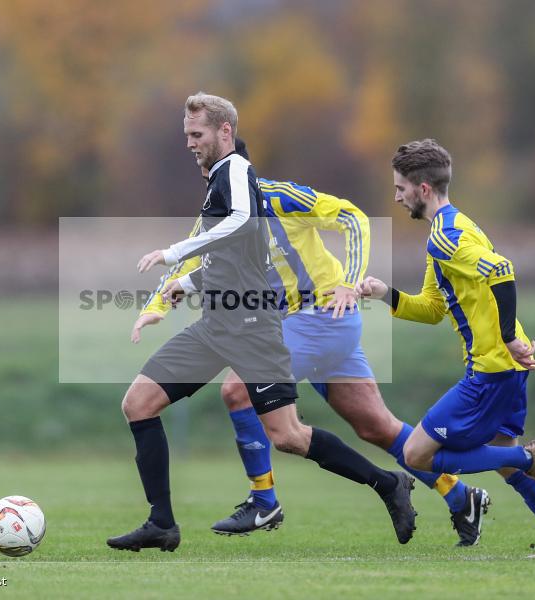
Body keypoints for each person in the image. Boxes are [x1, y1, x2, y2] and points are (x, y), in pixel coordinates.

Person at [133, 138, 490, 546]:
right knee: (378, 427)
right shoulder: (217, 216)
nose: (210, 181)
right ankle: (462, 496)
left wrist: (349, 282)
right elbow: (188, 261)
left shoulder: (278, 197)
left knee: (238, 391)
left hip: (323, 317)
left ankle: (263, 499)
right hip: (302, 326)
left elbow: (353, 218)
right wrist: (157, 303)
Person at [105, 93, 416, 553]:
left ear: (224, 132)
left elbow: (241, 226)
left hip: (253, 326)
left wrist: (172, 254)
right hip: (217, 326)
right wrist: (174, 293)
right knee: (138, 403)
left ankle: (387, 483)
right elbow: (233, 253)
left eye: (197, 134)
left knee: (288, 436)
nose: (190, 143)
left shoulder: (234, 171)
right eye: (186, 135)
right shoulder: (217, 181)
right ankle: (161, 524)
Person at [357, 138, 535, 558]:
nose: (396, 196)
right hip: (505, 366)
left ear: (423, 189)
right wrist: (384, 293)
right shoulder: (453, 228)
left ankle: (530, 458)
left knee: (416, 454)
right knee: (502, 461)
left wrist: (506, 336)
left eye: (400, 188)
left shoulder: (446, 237)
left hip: (491, 370)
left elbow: (502, 269)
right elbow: (432, 308)